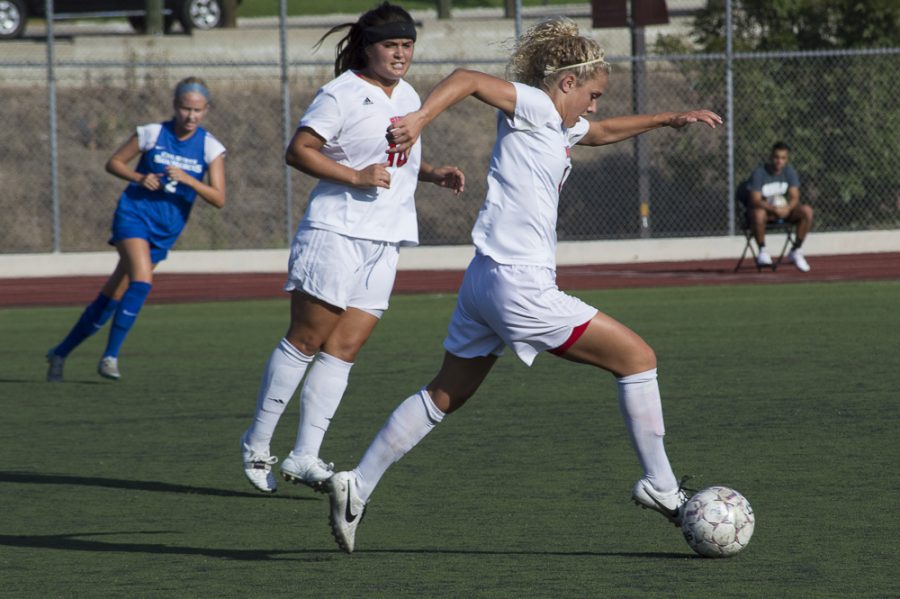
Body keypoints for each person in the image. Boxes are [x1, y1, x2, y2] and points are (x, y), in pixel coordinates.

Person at [324, 17, 723, 554]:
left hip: (483, 281)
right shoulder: (535, 106)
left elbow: (600, 133)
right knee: (639, 360)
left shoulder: (558, 124)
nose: (595, 106)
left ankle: (359, 484)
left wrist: (669, 119)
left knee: (445, 394)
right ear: (565, 84)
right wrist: (418, 119)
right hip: (520, 286)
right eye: (593, 94)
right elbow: (467, 78)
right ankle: (662, 486)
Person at [238, 2, 464, 495]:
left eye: (407, 45)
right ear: (367, 47)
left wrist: (432, 173)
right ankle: (257, 445)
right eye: (391, 45)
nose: (401, 54)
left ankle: (305, 457)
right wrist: (355, 177)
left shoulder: (408, 94)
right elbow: (299, 151)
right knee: (307, 340)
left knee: (344, 350)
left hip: (385, 240)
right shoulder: (341, 93)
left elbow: (386, 157)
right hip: (335, 232)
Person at [45, 77, 226, 382]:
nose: (190, 116)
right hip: (134, 215)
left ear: (206, 110)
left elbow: (219, 198)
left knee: (113, 295)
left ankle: (60, 352)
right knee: (141, 281)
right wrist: (140, 178)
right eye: (185, 108)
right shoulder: (153, 133)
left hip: (166, 228)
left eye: (197, 110)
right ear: (174, 106)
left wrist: (190, 180)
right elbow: (114, 162)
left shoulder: (211, 147)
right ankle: (110, 357)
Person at [743, 141, 814, 271]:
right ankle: (762, 250)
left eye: (783, 158)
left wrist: (786, 208)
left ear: (787, 159)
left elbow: (794, 197)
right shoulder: (760, 173)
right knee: (758, 213)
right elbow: (755, 199)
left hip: (784, 212)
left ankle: (796, 249)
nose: (779, 161)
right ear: (771, 157)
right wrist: (773, 209)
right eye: (776, 157)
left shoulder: (789, 172)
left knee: (807, 211)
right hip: (765, 213)